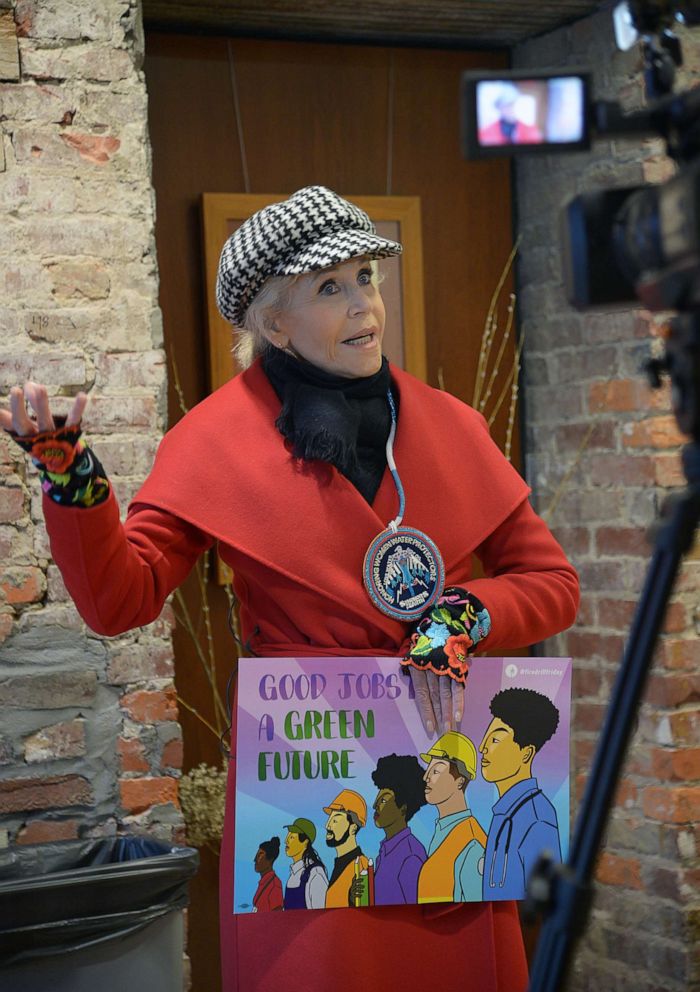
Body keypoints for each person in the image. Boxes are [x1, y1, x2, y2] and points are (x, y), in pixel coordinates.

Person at [1, 184, 579, 992]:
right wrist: (73, 481)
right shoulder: (212, 440)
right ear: (273, 322)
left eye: (367, 277)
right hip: (312, 766)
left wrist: (466, 611)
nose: (363, 304)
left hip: (445, 749)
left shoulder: (451, 423)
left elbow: (551, 582)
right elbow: (119, 600)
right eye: (329, 288)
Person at [480, 688, 563, 900]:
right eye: (486, 738)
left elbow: (546, 898)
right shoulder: (504, 812)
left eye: (495, 740)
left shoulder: (537, 817)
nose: (482, 747)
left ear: (526, 754)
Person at [418, 731, 486, 904]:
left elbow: (476, 910)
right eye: (428, 769)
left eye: (436, 770)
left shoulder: (472, 843)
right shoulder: (444, 829)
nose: (426, 777)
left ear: (460, 781)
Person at [370, 753, 427, 905]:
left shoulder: (411, 855)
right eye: (378, 797)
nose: (375, 805)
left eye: (383, 799)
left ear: (403, 808)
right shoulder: (384, 851)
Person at [322, 789, 369, 908]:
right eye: (329, 819)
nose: (327, 825)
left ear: (352, 828)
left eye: (335, 820)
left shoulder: (361, 866)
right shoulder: (340, 863)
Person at [282, 816, 328, 910]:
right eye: (288, 836)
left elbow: (320, 914)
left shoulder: (315, 873)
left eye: (291, 837)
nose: (286, 841)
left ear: (305, 842)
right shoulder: (293, 874)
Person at [479, 83, 543, 146]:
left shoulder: (530, 131)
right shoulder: (486, 132)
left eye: (511, 104)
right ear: (499, 107)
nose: (509, 109)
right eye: (505, 105)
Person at [252, 837, 284, 912]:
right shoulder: (263, 882)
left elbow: (277, 916)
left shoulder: (275, 885)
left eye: (260, 855)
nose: (255, 859)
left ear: (271, 859)